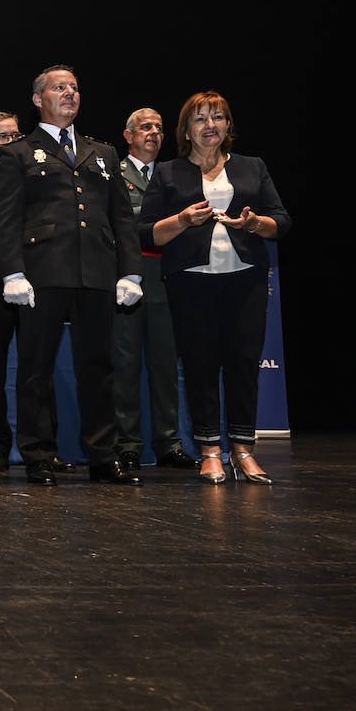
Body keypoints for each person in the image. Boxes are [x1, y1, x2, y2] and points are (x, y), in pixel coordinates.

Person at [0, 65, 144, 486]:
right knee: (36, 368)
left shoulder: (103, 152)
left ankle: (102, 456)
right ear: (38, 99)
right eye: (60, 88)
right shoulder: (17, 153)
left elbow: (122, 220)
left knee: (99, 366)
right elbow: (4, 220)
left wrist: (130, 272)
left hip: (96, 271)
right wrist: (13, 273)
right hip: (42, 274)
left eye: (74, 87)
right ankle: (38, 454)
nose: (70, 94)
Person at [138, 91, 291, 484]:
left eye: (218, 118)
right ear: (186, 130)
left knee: (243, 365)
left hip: (247, 279)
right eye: (201, 119)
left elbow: (281, 221)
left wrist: (255, 224)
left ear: (228, 126)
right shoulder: (168, 172)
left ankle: (243, 450)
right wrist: (183, 220)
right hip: (191, 282)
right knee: (202, 365)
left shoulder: (252, 167)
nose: (211, 126)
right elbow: (145, 233)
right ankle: (209, 451)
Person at [0, 111, 75, 475]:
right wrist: (15, 201)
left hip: (34, 282)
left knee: (38, 368)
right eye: (2, 137)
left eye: (15, 136)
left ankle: (45, 447)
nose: (11, 142)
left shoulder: (35, 172)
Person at [111, 108, 196, 472]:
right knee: (125, 362)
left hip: (165, 273)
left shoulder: (175, 175)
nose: (155, 134)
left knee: (164, 364)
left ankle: (169, 443)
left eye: (160, 129)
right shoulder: (111, 172)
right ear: (128, 135)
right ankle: (127, 443)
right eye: (146, 127)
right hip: (125, 273)